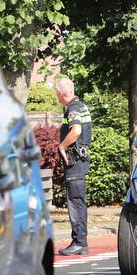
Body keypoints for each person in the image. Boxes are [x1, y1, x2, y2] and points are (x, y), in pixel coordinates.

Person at [54, 77, 92, 256]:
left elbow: (76, 131)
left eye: (56, 92)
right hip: (80, 161)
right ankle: (80, 241)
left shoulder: (73, 108)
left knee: (75, 202)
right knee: (79, 201)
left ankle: (79, 242)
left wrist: (62, 146)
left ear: (61, 93)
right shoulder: (81, 105)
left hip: (75, 162)